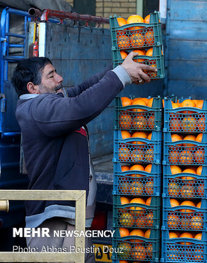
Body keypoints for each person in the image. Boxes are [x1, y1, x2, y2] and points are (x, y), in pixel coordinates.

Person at [11, 53, 156, 261]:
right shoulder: (36, 109)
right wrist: (122, 75)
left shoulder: (51, 102)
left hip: (72, 220)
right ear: (32, 88)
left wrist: (121, 68)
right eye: (51, 75)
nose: (59, 78)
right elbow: (80, 106)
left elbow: (83, 91)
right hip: (53, 224)